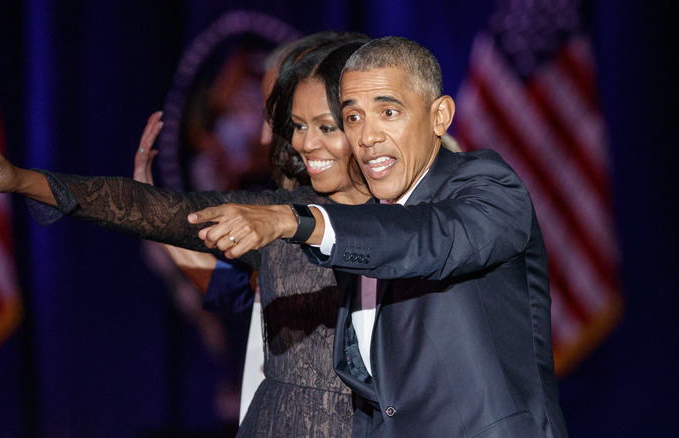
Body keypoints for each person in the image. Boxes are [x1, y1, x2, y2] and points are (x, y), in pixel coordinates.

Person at [0, 32, 371, 437]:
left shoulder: (414, 218)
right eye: (289, 122)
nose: (269, 136)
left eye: (322, 125)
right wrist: (21, 179)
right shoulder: (270, 213)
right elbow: (233, 292)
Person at [189, 36, 569, 437]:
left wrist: (293, 221)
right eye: (353, 118)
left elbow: (425, 237)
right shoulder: (367, 224)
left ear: (440, 116)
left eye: (388, 111)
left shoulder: (489, 186)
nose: (367, 137)